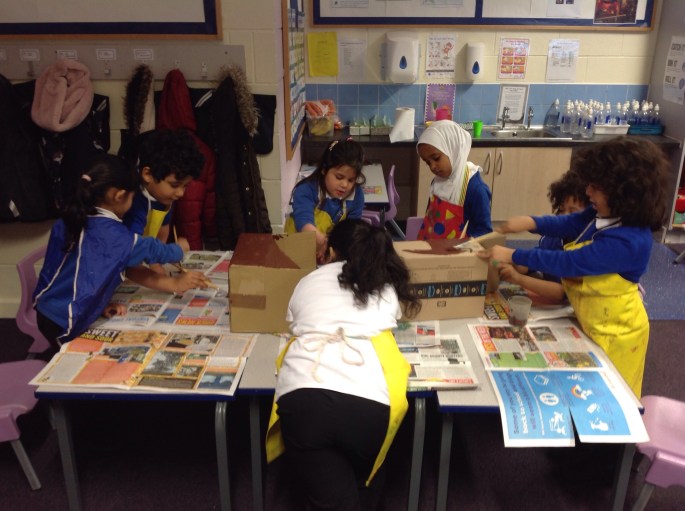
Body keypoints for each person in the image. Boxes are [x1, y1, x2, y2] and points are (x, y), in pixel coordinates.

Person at [478, 136, 669, 397]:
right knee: (585, 386)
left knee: (611, 394)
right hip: (593, 319)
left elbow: (570, 263)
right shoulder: (603, 213)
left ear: (623, 192)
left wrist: (514, 255)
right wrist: (532, 222)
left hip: (618, 335)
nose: (587, 191)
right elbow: (570, 223)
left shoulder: (630, 242)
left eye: (595, 187)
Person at [266, 219, 421, 511]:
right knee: (361, 479)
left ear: (332, 252)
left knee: (329, 489)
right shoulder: (385, 286)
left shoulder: (309, 280)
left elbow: (293, 323)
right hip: (369, 406)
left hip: (304, 400)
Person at [33, 154, 208, 352]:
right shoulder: (113, 234)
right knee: (69, 358)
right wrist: (179, 249)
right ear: (119, 196)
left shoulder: (74, 217)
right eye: (132, 198)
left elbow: (78, 272)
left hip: (50, 306)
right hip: (63, 319)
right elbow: (150, 248)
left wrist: (98, 304)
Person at [497, 169, 589, 303]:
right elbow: (533, 262)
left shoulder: (587, 248)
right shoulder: (553, 238)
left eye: (572, 212)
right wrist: (512, 261)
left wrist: (518, 278)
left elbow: (562, 292)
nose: (564, 217)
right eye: (561, 209)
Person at [285, 138, 366, 261]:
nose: (345, 185)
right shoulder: (306, 190)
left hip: (329, 252)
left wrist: (335, 249)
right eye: (339, 177)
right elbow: (304, 222)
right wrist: (322, 242)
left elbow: (351, 230)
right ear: (324, 169)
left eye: (351, 180)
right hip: (297, 247)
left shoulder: (356, 195)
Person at [416, 120, 493, 239]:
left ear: (453, 149)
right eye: (428, 162)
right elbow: (429, 217)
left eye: (436, 158)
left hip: (459, 249)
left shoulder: (477, 190)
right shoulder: (436, 182)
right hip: (433, 244)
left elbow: (484, 233)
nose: (432, 167)